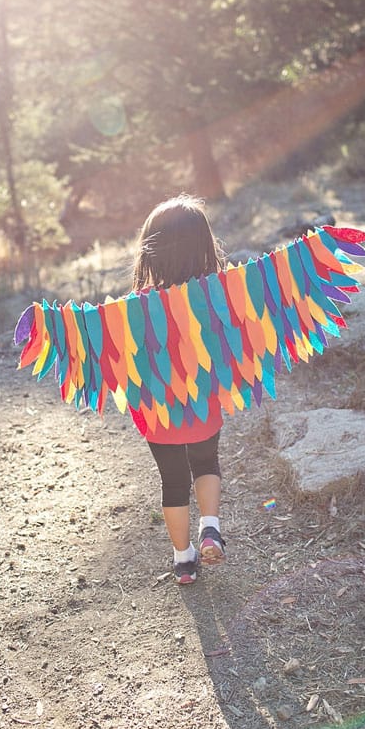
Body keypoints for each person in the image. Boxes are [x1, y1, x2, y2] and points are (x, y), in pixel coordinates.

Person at [130, 194, 227, 585]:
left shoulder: (135, 306)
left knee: (172, 480)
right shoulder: (217, 294)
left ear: (149, 251)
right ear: (205, 245)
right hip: (204, 402)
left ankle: (184, 560)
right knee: (206, 464)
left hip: (160, 410)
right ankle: (210, 527)